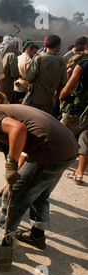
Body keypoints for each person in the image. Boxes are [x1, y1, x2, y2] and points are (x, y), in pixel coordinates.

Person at [0, 99, 78, 254]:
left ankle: (0, 246)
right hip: (67, 148)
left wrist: (10, 164)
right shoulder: (4, 109)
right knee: (38, 194)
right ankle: (37, 236)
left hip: (49, 152)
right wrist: (16, 175)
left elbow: (18, 130)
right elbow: (26, 143)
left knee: (12, 198)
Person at [59, 57, 88, 185]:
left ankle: (47, 166)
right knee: (85, 141)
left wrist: (61, 98)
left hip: (78, 109)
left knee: (58, 135)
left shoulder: (83, 65)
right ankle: (79, 173)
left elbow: (68, 88)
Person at [23, 35, 67, 115]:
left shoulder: (39, 58)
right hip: (48, 101)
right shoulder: (62, 62)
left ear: (45, 45)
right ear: (58, 46)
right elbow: (63, 83)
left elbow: (29, 78)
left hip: (33, 99)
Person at [0, 36, 19, 103]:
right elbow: (14, 74)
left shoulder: (0, 54)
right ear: (12, 45)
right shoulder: (12, 55)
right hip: (7, 86)